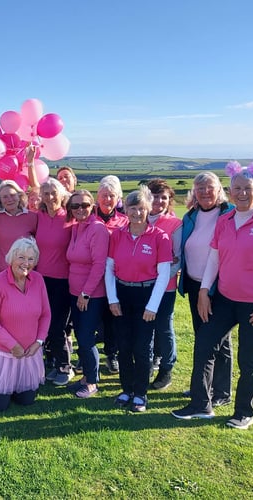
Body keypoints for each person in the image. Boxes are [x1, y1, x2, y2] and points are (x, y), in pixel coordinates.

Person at [173, 161, 253, 429]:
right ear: (230, 189)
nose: (241, 193)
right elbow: (214, 259)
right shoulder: (225, 220)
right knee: (204, 345)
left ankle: (243, 412)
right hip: (225, 299)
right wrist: (204, 291)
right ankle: (200, 405)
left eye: (247, 188)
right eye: (237, 187)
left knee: (248, 358)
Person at [105, 187, 172, 412]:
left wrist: (152, 306)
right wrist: (112, 299)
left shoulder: (159, 237)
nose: (136, 213)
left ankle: (140, 393)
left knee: (142, 348)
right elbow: (109, 268)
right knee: (124, 346)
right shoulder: (117, 235)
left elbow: (163, 275)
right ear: (126, 209)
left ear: (148, 209)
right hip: (122, 294)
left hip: (147, 295)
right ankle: (126, 389)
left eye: (141, 208)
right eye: (132, 208)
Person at [0, 237, 51, 411]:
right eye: (21, 257)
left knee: (26, 401)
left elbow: (46, 314)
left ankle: (16, 387)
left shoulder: (38, 280)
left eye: (31, 259)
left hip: (29, 353)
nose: (26, 263)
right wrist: (13, 345)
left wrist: (39, 342)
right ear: (11, 258)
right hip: (2, 354)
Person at [176, 172, 235, 406]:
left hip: (219, 286)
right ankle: (202, 386)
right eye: (199, 188)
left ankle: (221, 391)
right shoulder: (191, 215)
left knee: (219, 339)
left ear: (219, 189)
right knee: (202, 337)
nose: (204, 192)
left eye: (209, 187)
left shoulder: (229, 213)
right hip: (193, 284)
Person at [66, 189, 110, 398]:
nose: (80, 209)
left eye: (84, 205)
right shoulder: (76, 227)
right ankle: (86, 378)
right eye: (75, 206)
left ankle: (92, 382)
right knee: (80, 336)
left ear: (92, 206)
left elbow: (99, 265)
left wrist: (85, 293)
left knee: (85, 338)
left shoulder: (98, 229)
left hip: (90, 295)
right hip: (75, 292)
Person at [34, 178, 75, 386]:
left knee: (57, 327)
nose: (50, 197)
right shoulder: (39, 216)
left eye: (53, 193)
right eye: (46, 193)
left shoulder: (69, 217)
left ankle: (65, 367)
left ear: (62, 194)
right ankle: (54, 364)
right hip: (40, 279)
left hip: (63, 281)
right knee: (43, 325)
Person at [146, 179, 182, 390]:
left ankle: (166, 368)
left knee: (163, 327)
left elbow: (178, 258)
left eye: (164, 197)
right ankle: (148, 364)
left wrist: (160, 281)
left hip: (166, 287)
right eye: (155, 196)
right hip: (142, 285)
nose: (159, 201)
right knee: (146, 327)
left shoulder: (175, 224)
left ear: (169, 201)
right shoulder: (139, 219)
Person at [92, 175, 129, 375]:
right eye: (104, 195)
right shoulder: (89, 217)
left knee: (112, 318)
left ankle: (111, 354)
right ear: (97, 197)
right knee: (89, 318)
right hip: (90, 276)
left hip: (115, 277)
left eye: (111, 196)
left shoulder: (124, 220)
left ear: (118, 199)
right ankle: (86, 355)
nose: (107, 200)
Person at [0, 180, 38, 273]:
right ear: (0, 200)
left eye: (12, 195)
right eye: (5, 197)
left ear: (19, 196)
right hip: (2, 272)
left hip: (25, 271)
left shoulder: (32, 217)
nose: (9, 199)